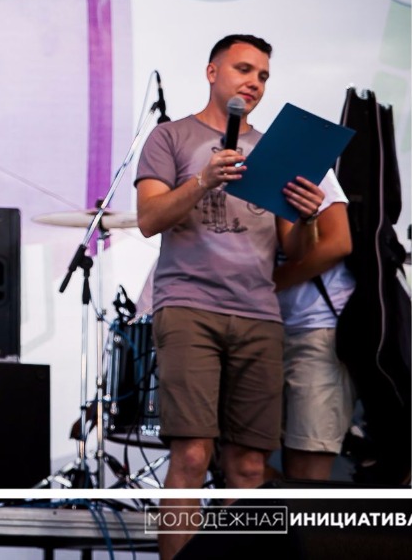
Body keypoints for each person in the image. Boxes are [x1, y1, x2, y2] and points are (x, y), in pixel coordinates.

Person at [134, 34, 325, 560]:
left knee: (249, 466)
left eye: (263, 75)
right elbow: (149, 219)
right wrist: (202, 180)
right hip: (189, 306)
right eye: (243, 69)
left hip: (260, 313)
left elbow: (294, 249)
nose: (255, 82)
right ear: (211, 72)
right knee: (192, 456)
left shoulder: (276, 149)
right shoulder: (170, 136)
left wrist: (308, 217)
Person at [274, 171, 355, 481]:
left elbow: (338, 243)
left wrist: (267, 284)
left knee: (307, 467)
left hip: (316, 328)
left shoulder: (300, 162)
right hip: (264, 330)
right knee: (244, 459)